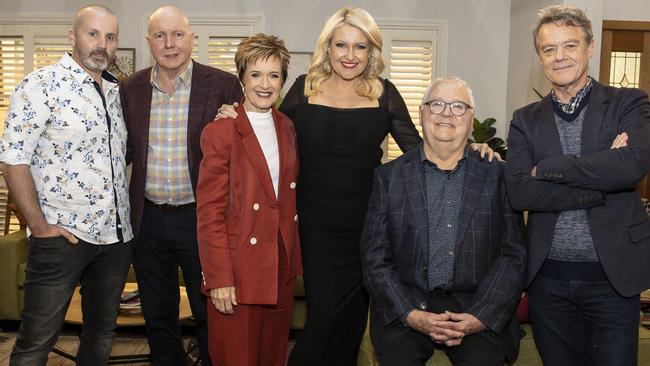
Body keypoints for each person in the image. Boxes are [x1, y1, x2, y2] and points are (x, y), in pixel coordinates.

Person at [216, 8, 496, 364]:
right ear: (327, 48)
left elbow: (421, 147)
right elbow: (269, 126)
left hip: (368, 227)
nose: (350, 55)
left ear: (371, 51)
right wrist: (236, 115)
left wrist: (471, 148)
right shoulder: (305, 88)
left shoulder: (384, 93)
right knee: (323, 318)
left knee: (349, 324)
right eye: (341, 45)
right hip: (314, 226)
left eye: (360, 46)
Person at [505, 5, 650, 366]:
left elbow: (631, 168)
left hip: (614, 277)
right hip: (548, 281)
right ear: (539, 56)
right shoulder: (525, 120)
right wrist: (603, 177)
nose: (559, 57)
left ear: (589, 47)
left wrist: (549, 168)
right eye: (549, 49)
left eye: (570, 45)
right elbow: (521, 191)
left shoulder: (628, 103)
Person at [361, 77, 526, 366]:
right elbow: (374, 258)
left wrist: (480, 317)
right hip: (408, 304)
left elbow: (513, 255)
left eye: (458, 106)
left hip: (476, 304)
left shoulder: (498, 176)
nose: (446, 113)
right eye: (436, 104)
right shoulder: (388, 178)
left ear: (471, 117)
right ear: (422, 113)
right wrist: (410, 314)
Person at [0, 5, 133, 365]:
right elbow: (13, 158)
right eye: (93, 34)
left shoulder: (117, 93)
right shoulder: (40, 85)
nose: (101, 44)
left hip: (116, 239)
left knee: (102, 334)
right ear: (72, 37)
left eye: (110, 37)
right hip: (61, 237)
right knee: (36, 341)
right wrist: (39, 226)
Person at [119, 5, 243, 365]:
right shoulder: (132, 89)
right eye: (160, 36)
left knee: (211, 313)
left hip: (201, 220)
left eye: (177, 35)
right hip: (149, 221)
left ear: (192, 39)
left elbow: (243, 150)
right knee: (159, 316)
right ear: (149, 42)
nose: (169, 44)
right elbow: (121, 152)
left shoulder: (222, 84)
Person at [196, 33, 302, 366]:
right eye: (256, 74)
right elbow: (209, 212)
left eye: (274, 75)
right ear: (241, 78)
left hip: (279, 267)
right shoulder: (221, 131)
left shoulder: (287, 127)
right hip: (238, 270)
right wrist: (219, 279)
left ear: (283, 80)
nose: (265, 84)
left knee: (272, 358)